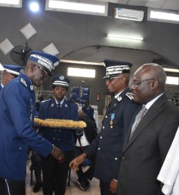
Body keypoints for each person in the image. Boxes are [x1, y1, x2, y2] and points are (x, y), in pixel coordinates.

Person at [0, 51, 65, 195]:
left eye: (48, 75)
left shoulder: (25, 89)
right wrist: (51, 149)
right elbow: (23, 130)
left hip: (6, 158)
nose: (45, 78)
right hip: (5, 161)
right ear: (32, 66)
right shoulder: (17, 88)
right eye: (44, 73)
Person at [69, 59, 140, 195]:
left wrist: (118, 177)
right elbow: (103, 136)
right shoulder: (116, 101)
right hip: (107, 169)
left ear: (123, 79)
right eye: (107, 79)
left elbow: (128, 144)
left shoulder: (129, 103)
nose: (107, 83)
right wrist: (84, 155)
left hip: (115, 171)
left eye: (111, 79)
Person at [117, 63, 179, 195]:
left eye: (136, 83)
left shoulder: (171, 115)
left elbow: (168, 168)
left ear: (153, 84)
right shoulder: (142, 108)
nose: (132, 87)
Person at [38, 75, 79, 195]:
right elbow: (41, 127)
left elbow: (75, 128)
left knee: (61, 181)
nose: (60, 91)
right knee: (48, 179)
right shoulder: (44, 105)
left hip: (65, 148)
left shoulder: (72, 107)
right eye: (57, 88)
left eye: (63, 89)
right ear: (53, 90)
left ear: (66, 91)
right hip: (48, 148)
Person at [74, 109, 97, 191]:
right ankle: (82, 179)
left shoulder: (90, 124)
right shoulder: (72, 125)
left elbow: (96, 137)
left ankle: (85, 177)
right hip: (76, 147)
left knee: (98, 158)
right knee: (76, 159)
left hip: (88, 146)